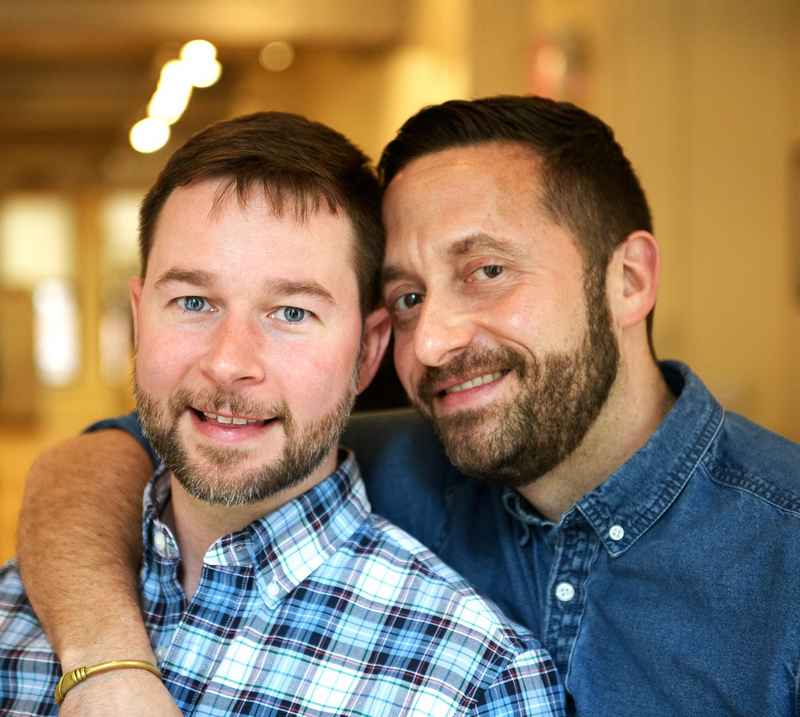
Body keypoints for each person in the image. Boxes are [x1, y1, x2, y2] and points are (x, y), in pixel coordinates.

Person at [16, 96, 800, 716]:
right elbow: (114, 458)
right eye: (408, 297)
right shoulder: (395, 453)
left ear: (628, 281)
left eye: (487, 271)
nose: (431, 342)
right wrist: (103, 664)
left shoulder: (782, 551)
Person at [0, 111, 566, 716]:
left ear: (367, 352)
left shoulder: (471, 682)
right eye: (193, 302)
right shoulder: (16, 613)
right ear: (140, 319)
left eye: (292, 313)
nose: (228, 363)